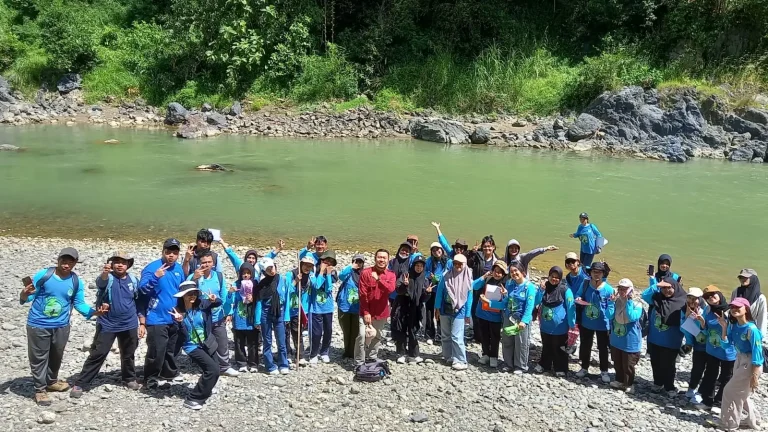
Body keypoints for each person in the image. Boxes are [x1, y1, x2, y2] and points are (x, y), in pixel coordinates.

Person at [20, 247, 103, 406]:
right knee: (39, 358)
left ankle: (51, 381)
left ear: (75, 263)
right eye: (63, 261)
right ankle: (40, 390)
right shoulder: (44, 275)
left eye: (70, 262)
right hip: (38, 324)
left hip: (62, 326)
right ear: (58, 260)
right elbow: (28, 296)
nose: (66, 265)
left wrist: (94, 312)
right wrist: (24, 294)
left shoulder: (76, 281)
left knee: (56, 355)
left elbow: (79, 303)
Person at [70, 251, 142, 398]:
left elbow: (138, 300)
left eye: (123, 262)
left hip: (129, 322)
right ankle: (81, 383)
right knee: (99, 353)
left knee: (129, 353)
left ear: (128, 265)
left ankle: (129, 378)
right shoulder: (107, 278)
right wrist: (104, 273)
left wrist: (142, 322)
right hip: (107, 323)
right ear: (111, 264)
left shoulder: (133, 280)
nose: (120, 265)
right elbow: (100, 283)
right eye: (117, 262)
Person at [139, 238, 185, 389]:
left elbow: (182, 291)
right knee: (156, 349)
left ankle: (168, 372)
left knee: (171, 348)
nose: (171, 255)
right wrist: (155, 277)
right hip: (156, 316)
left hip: (174, 316)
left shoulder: (178, 269)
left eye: (175, 253)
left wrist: (182, 310)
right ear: (163, 251)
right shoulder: (152, 268)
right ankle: (150, 377)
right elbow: (142, 290)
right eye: (168, 252)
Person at [170, 281, 221, 410]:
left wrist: (214, 300)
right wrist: (180, 322)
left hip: (207, 342)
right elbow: (180, 334)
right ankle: (194, 398)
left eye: (194, 293)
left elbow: (218, 303)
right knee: (212, 370)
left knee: (215, 369)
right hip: (191, 346)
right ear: (183, 296)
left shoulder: (202, 304)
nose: (192, 296)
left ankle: (206, 388)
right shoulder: (177, 311)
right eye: (189, 294)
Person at [188, 251, 239, 377]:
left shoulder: (219, 276)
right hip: (201, 317)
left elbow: (223, 295)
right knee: (203, 342)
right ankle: (206, 366)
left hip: (217, 315)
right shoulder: (193, 276)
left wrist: (228, 311)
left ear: (213, 263)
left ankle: (224, 367)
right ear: (199, 263)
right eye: (204, 262)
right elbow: (186, 294)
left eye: (209, 262)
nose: (206, 265)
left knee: (222, 341)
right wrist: (194, 279)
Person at [718, 297, 764, 430]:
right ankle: (754, 420)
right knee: (742, 393)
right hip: (739, 359)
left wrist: (754, 376)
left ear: (746, 309)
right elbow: (726, 345)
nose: (734, 309)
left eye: (738, 307)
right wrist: (724, 327)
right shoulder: (734, 326)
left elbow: (757, 353)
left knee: (729, 391)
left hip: (750, 364)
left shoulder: (752, 329)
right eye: (732, 307)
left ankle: (729, 424)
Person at [482, 262, 536, 373]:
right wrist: (489, 302)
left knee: (521, 343)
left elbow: (529, 306)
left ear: (522, 271)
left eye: (516, 271)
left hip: (521, 319)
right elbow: (504, 303)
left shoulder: (529, 287)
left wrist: (524, 321)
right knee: (507, 341)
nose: (514, 273)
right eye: (511, 272)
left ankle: (520, 366)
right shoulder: (509, 284)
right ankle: (508, 364)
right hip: (509, 317)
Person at [642, 275, 687, 396]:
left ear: (675, 287)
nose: (666, 291)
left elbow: (688, 323)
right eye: (663, 288)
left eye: (669, 288)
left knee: (668, 365)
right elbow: (644, 295)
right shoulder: (657, 298)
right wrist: (655, 284)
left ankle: (669, 386)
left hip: (671, 341)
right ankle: (657, 383)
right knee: (655, 362)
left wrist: (689, 342)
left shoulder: (683, 303)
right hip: (654, 338)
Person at [695, 285, 736, 411]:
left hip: (728, 351)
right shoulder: (708, 310)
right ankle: (707, 401)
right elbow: (706, 331)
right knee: (710, 375)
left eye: (713, 294)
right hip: (712, 349)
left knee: (727, 378)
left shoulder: (730, 312)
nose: (711, 298)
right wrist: (702, 323)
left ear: (720, 294)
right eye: (707, 297)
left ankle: (719, 402)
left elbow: (736, 332)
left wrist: (725, 326)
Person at [574, 261, 615, 382]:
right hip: (586, 322)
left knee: (603, 348)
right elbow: (578, 295)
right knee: (585, 345)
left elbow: (611, 308)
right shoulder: (585, 284)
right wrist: (578, 298)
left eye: (599, 272)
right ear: (590, 273)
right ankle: (584, 368)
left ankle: (604, 371)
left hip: (603, 323)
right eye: (594, 271)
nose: (596, 274)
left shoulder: (608, 289)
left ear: (603, 274)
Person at [356, 249, 396, 365]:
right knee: (361, 336)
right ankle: (359, 362)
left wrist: (379, 280)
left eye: (384, 258)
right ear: (375, 258)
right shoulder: (366, 273)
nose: (381, 260)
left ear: (388, 260)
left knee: (377, 336)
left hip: (381, 312)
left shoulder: (391, 275)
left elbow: (391, 289)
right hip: (366, 310)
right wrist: (366, 312)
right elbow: (362, 294)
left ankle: (371, 358)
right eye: (379, 257)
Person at [534, 266, 576, 376]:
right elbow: (536, 301)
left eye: (557, 277)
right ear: (548, 276)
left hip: (560, 327)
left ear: (560, 278)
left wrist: (571, 323)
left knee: (560, 347)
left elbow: (571, 307)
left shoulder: (565, 290)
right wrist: (541, 290)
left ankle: (560, 368)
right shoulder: (544, 288)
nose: (554, 279)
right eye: (552, 276)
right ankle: (544, 364)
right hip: (545, 325)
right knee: (546, 346)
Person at [254, 258, 292, 375]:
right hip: (266, 313)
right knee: (267, 341)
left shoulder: (283, 280)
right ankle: (270, 366)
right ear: (264, 271)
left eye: (272, 267)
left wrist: (287, 316)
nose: (271, 270)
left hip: (280, 312)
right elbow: (259, 302)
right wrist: (257, 320)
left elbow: (287, 298)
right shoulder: (262, 285)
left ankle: (283, 364)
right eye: (268, 269)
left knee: (281, 341)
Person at [436, 254, 474, 370]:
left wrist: (467, 314)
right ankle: (448, 356)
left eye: (460, 264)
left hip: (460, 310)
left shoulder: (468, 278)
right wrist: (437, 308)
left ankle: (461, 360)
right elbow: (439, 292)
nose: (457, 266)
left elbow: (469, 298)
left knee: (457, 336)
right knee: (445, 335)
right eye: (455, 263)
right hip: (445, 308)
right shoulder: (446, 275)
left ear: (464, 264)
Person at [606, 278, 643, 393]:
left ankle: (629, 384)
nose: (622, 291)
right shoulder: (616, 301)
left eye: (625, 289)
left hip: (630, 339)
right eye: (620, 289)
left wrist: (629, 301)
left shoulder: (637, 304)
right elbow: (609, 315)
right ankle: (619, 380)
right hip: (617, 338)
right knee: (617, 361)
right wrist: (611, 303)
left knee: (628, 364)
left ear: (630, 290)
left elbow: (632, 317)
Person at [392, 256, 430, 364]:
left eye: (421, 266)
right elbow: (398, 290)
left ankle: (414, 354)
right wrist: (405, 285)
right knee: (401, 330)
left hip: (416, 308)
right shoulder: (405, 275)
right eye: (417, 265)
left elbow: (423, 299)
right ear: (413, 266)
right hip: (402, 307)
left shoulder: (425, 279)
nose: (418, 268)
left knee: (413, 331)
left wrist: (427, 293)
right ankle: (401, 353)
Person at [473, 260, 508, 368]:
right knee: (484, 335)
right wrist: (483, 276)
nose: (497, 273)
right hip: (482, 312)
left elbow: (507, 301)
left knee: (495, 336)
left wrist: (505, 294)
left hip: (496, 315)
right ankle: (486, 354)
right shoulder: (487, 279)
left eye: (500, 272)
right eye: (495, 271)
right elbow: (474, 286)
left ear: (504, 274)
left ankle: (494, 356)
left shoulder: (506, 284)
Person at [229, 263, 260, 373]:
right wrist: (230, 293)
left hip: (251, 319)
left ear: (252, 274)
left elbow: (259, 301)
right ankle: (241, 362)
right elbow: (230, 301)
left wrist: (253, 298)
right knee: (239, 342)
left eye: (248, 273)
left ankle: (253, 363)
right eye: (243, 273)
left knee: (253, 342)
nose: (246, 275)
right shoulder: (236, 285)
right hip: (239, 318)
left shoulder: (255, 285)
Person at [307, 250, 337, 364]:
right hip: (315, 308)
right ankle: (313, 354)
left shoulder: (332, 273)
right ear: (321, 260)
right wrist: (321, 272)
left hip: (328, 308)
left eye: (330, 262)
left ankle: (324, 352)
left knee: (328, 331)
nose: (328, 263)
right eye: (326, 261)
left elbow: (329, 288)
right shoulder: (313, 271)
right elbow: (316, 285)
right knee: (316, 333)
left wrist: (328, 274)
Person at [285, 256, 315, 365]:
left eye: (310, 266)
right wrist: (295, 281)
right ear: (301, 264)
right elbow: (287, 291)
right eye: (306, 265)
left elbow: (316, 286)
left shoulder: (310, 276)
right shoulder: (290, 274)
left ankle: (300, 355)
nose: (307, 268)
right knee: (286, 332)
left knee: (297, 332)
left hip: (299, 309)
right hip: (288, 309)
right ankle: (287, 353)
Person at [681, 287, 708, 404]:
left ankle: (703, 393)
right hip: (698, 346)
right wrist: (686, 318)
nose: (692, 301)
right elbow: (684, 329)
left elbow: (709, 330)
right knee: (697, 368)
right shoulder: (684, 311)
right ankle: (691, 389)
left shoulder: (706, 311)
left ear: (700, 299)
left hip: (711, 346)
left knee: (710, 371)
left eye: (695, 299)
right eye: (689, 298)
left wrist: (701, 322)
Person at [337, 254, 365, 359]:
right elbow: (340, 276)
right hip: (345, 306)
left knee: (355, 332)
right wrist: (351, 267)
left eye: (360, 262)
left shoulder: (364, 274)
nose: (358, 264)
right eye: (356, 261)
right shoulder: (348, 273)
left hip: (358, 308)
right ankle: (346, 351)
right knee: (346, 330)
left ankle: (353, 352)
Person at [731, 269, 767, 349]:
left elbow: (762, 318)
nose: (742, 279)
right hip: (737, 328)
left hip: (751, 331)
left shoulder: (760, 298)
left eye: (746, 277)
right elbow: (732, 310)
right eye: (741, 277)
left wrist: (761, 338)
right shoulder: (736, 292)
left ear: (753, 278)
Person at [424, 242, 452, 345]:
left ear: (442, 250)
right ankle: (429, 334)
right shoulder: (429, 261)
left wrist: (438, 278)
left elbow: (450, 273)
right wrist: (429, 275)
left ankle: (440, 335)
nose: (436, 252)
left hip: (443, 291)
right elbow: (424, 271)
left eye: (438, 249)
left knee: (441, 312)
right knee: (429, 312)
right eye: (434, 250)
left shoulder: (448, 261)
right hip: (431, 289)